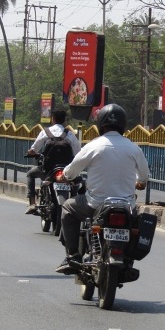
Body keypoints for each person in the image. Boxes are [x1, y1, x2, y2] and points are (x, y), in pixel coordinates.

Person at [55, 104, 149, 274]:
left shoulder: (94, 146)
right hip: (126, 206)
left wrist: (65, 176)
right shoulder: (134, 148)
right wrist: (139, 182)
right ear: (123, 125)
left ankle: (73, 255)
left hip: (95, 204)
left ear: (101, 124)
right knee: (137, 222)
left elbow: (72, 170)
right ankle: (128, 258)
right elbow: (144, 176)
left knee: (68, 207)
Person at [24, 110, 81, 215]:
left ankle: (32, 203)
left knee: (30, 174)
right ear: (64, 121)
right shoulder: (69, 134)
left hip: (48, 170)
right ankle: (74, 203)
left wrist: (30, 152)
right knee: (77, 181)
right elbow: (78, 152)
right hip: (65, 171)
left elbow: (34, 149)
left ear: (53, 119)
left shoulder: (46, 132)